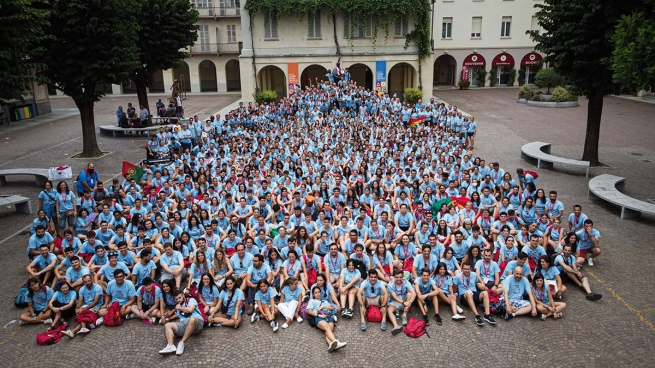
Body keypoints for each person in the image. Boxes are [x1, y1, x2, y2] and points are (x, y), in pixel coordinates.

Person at [158, 290, 204, 356]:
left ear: (183, 295)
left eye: (179, 298)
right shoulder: (178, 307)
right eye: (176, 299)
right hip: (184, 324)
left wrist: (179, 307)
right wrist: (167, 318)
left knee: (192, 319)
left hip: (197, 323)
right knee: (167, 325)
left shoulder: (191, 300)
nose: (178, 300)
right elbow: (177, 315)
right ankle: (170, 346)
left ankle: (182, 343)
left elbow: (190, 310)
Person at [306, 286, 347, 352]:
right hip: (319, 317)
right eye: (315, 293)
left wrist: (324, 307)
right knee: (327, 328)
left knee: (329, 331)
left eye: (318, 292)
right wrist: (318, 314)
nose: (317, 294)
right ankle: (335, 341)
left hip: (328, 317)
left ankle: (331, 344)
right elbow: (309, 311)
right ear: (313, 294)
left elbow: (332, 308)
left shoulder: (324, 301)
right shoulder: (312, 301)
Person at [387, 269, 416, 335]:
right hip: (395, 302)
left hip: (405, 300)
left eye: (400, 277)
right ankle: (396, 326)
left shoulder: (406, 282)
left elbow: (414, 293)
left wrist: (410, 302)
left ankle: (404, 315)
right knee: (389, 309)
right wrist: (403, 303)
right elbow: (395, 297)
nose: (398, 279)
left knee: (409, 294)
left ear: (403, 277)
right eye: (397, 277)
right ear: (394, 277)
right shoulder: (390, 285)